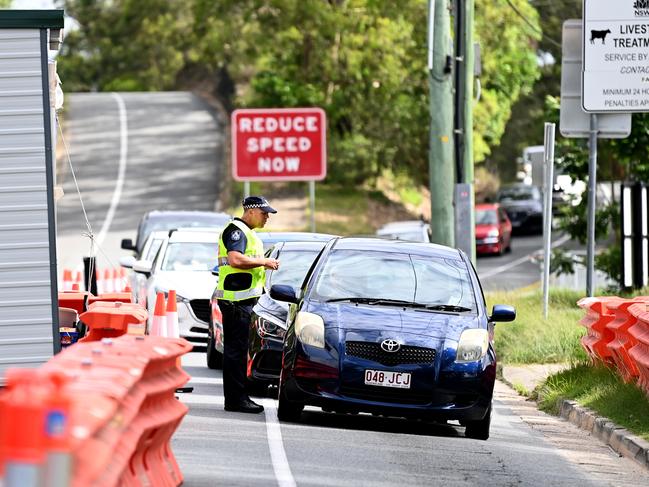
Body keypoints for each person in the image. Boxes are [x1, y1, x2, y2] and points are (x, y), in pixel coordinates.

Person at [215, 196, 280, 413]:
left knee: (239, 352)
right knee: (236, 352)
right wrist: (265, 262)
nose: (267, 218)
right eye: (264, 213)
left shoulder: (247, 233)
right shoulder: (236, 231)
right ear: (250, 212)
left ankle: (238, 397)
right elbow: (235, 259)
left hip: (242, 301)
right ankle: (236, 400)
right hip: (236, 302)